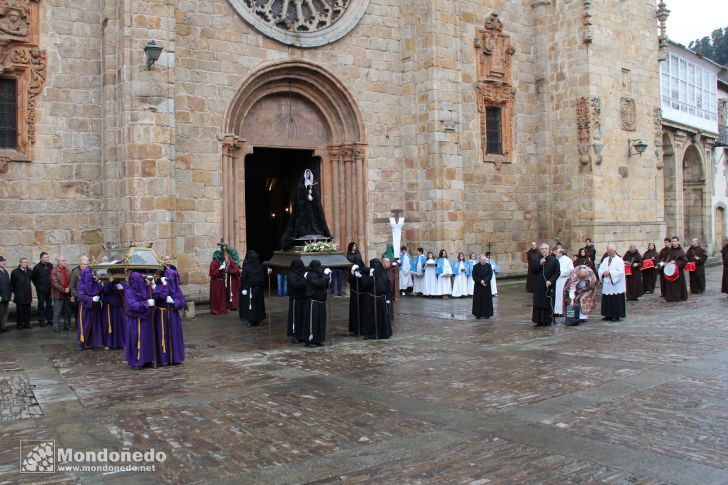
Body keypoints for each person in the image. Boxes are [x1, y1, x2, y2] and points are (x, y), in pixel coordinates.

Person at [280, 169, 332, 248]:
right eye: (306, 174)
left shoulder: (313, 184)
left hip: (312, 206)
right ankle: (304, 231)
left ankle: (314, 230)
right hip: (303, 208)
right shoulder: (301, 185)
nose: (308, 175)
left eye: (309, 174)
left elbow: (316, 197)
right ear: (305, 175)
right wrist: (306, 191)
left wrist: (311, 192)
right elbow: (299, 196)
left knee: (313, 219)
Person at [152, 265, 186, 365]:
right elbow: (156, 297)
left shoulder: (177, 290)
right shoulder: (160, 285)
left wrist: (174, 301)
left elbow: (182, 302)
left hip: (173, 315)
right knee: (162, 336)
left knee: (173, 336)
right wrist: (158, 287)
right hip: (161, 315)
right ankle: (162, 358)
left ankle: (175, 357)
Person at [124, 272, 156, 369]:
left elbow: (153, 295)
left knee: (146, 340)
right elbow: (132, 305)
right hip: (135, 319)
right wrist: (146, 303)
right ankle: (136, 361)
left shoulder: (146, 288)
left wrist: (152, 285)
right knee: (136, 340)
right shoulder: (129, 292)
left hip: (146, 318)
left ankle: (147, 359)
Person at [359, 258, 392, 339]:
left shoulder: (385, 273)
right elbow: (366, 284)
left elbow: (387, 285)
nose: (389, 263)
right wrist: (370, 276)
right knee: (372, 318)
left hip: (381, 299)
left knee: (382, 318)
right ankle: (371, 333)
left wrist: (388, 298)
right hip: (372, 299)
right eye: (387, 262)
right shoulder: (373, 272)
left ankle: (383, 333)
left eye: (389, 262)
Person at [302, 260, 331, 347]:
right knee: (312, 322)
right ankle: (309, 340)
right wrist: (325, 276)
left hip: (321, 301)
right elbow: (318, 283)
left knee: (320, 322)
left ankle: (317, 339)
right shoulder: (311, 275)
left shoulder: (319, 274)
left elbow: (325, 285)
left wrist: (328, 277)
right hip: (313, 302)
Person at [531, 243, 560, 326]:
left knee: (547, 302)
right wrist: (540, 264)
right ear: (540, 250)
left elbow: (557, 272)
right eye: (542, 249)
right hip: (538, 285)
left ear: (548, 249)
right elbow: (533, 269)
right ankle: (539, 320)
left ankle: (547, 320)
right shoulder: (536, 259)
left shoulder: (554, 260)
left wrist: (551, 281)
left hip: (549, 285)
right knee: (538, 302)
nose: (544, 250)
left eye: (545, 248)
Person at [76, 266, 103, 350]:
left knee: (95, 325)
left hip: (95, 307)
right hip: (85, 307)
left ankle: (95, 343)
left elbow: (100, 292)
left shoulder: (95, 283)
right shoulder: (81, 284)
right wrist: (91, 299)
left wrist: (99, 297)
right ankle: (83, 343)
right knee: (84, 325)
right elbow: (81, 296)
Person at [597, 244, 626, 321]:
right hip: (607, 283)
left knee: (615, 299)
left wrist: (610, 273)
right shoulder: (606, 259)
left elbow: (620, 272)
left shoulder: (619, 260)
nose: (609, 253)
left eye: (610, 251)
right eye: (608, 251)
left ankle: (616, 315)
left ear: (614, 251)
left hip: (616, 284)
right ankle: (608, 314)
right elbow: (601, 269)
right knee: (607, 299)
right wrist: (603, 273)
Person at [239, 250, 266, 327]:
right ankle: (251, 320)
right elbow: (243, 278)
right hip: (250, 289)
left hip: (258, 288)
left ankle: (259, 319)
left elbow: (263, 277)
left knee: (259, 305)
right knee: (251, 305)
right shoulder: (247, 267)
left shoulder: (260, 266)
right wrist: (244, 288)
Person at [100, 279, 126, 349]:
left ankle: (120, 343)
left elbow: (125, 293)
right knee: (107, 325)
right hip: (108, 307)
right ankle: (107, 343)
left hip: (118, 306)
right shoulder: (105, 280)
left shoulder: (122, 281)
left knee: (119, 325)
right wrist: (111, 283)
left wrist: (120, 287)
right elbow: (105, 291)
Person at [660, 236, 688, 302]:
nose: (673, 242)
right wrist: (665, 263)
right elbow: (666, 259)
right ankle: (670, 297)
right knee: (669, 285)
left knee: (677, 285)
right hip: (670, 271)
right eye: (672, 241)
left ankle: (678, 297)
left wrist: (676, 262)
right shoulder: (670, 251)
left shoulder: (681, 251)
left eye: (675, 241)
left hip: (678, 271)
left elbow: (685, 261)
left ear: (678, 242)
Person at [346, 242, 365, 336]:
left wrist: (363, 270)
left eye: (355, 246)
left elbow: (361, 262)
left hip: (359, 273)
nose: (355, 247)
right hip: (353, 274)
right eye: (353, 246)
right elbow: (349, 264)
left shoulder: (358, 253)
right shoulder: (349, 254)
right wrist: (353, 270)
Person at [287, 258, 308, 341]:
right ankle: (295, 334)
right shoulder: (291, 274)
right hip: (295, 299)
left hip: (303, 298)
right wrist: (304, 279)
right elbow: (295, 285)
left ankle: (302, 334)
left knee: (302, 317)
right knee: (296, 317)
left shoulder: (303, 273)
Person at [31, 252, 53, 327]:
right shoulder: (37, 267)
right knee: (41, 305)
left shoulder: (50, 265)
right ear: (42, 258)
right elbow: (33, 278)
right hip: (41, 290)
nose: (48, 258)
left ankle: (49, 319)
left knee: (49, 305)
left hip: (49, 289)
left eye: (48, 257)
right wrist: (38, 286)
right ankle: (41, 320)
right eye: (46, 257)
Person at [50, 257, 72, 332]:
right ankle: (56, 326)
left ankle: (67, 325)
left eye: (65, 260)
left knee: (67, 311)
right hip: (58, 294)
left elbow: (70, 280)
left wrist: (68, 288)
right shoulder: (54, 270)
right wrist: (63, 289)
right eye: (63, 260)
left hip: (67, 293)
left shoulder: (67, 269)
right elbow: (54, 283)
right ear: (58, 262)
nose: (64, 261)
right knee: (57, 311)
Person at [10, 258, 32, 329]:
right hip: (20, 295)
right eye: (23, 262)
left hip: (28, 294)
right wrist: (16, 292)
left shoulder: (29, 271)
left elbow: (32, 279)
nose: (25, 264)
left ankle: (27, 323)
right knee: (20, 311)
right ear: (20, 263)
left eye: (26, 262)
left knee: (27, 310)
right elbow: (12, 284)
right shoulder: (15, 272)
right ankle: (19, 324)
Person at [471, 254, 494, 319]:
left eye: (484, 260)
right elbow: (474, 276)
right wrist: (481, 281)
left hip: (486, 286)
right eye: (482, 260)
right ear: (480, 260)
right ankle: (478, 314)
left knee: (486, 300)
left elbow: (490, 274)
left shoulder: (488, 266)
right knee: (478, 300)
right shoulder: (475, 266)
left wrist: (485, 281)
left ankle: (487, 314)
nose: (483, 261)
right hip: (478, 286)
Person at [69, 257, 88, 330]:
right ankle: (79, 327)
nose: (86, 266)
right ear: (80, 264)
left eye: (87, 264)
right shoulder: (75, 271)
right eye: (84, 264)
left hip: (87, 296)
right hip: (79, 296)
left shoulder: (89, 270)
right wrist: (77, 295)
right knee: (78, 314)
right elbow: (72, 286)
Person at [554, 248, 574, 316]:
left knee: (562, 296)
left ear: (561, 253)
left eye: (557, 252)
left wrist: (560, 271)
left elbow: (571, 270)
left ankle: (562, 311)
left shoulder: (568, 260)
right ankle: (556, 311)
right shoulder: (556, 259)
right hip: (557, 280)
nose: (556, 253)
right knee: (557, 296)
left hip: (564, 280)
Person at [209, 250, 228, 315]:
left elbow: (223, 271)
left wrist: (224, 268)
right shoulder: (213, 262)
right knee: (216, 296)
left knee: (222, 296)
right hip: (215, 282)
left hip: (221, 281)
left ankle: (221, 309)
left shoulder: (220, 262)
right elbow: (212, 273)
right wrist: (219, 269)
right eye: (220, 254)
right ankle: (215, 310)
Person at [0, 256, 10, 333]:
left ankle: (3, 326)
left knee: (5, 312)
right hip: (0, 296)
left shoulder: (5, 271)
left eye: (4, 261)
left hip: (6, 296)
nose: (4, 262)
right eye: (2, 261)